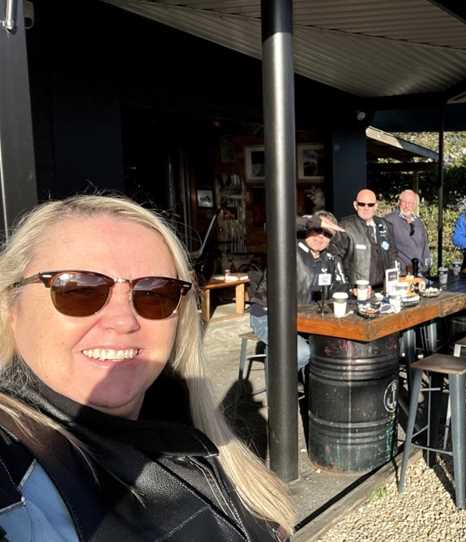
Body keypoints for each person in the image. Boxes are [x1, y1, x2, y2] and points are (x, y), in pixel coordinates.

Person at [0, 195, 294, 541]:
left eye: (156, 293)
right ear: (9, 305)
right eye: (79, 289)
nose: (124, 321)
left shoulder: (193, 432)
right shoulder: (13, 469)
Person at [249, 211, 347, 370]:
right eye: (317, 230)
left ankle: (309, 388)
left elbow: (340, 289)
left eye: (327, 234)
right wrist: (315, 221)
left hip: (305, 320)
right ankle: (279, 393)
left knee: (335, 349)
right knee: (300, 353)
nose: (321, 236)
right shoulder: (287, 247)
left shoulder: (329, 258)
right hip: (270, 316)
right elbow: (276, 223)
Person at [341, 189, 399, 287]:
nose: (366, 208)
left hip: (382, 288)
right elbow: (336, 259)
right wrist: (347, 288)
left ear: (375, 206)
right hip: (358, 289)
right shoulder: (345, 227)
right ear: (355, 205)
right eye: (362, 204)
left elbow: (392, 254)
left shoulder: (385, 225)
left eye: (370, 205)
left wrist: (393, 282)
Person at [385, 189, 432, 275]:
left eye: (410, 203)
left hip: (420, 272)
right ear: (399, 202)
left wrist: (427, 267)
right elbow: (385, 249)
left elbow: (424, 245)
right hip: (402, 274)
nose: (407, 206)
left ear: (415, 205)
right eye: (404, 202)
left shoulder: (418, 221)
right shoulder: (389, 220)